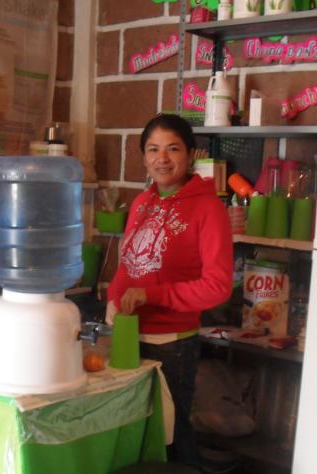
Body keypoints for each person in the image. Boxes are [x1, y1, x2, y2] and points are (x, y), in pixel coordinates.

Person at [106, 114, 233, 467]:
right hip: (129, 338)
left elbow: (218, 287)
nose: (162, 158)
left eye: (173, 149)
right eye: (153, 149)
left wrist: (153, 295)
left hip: (172, 346)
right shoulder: (141, 203)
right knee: (137, 435)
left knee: (171, 438)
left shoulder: (208, 208)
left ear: (190, 154)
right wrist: (114, 298)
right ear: (144, 157)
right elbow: (127, 266)